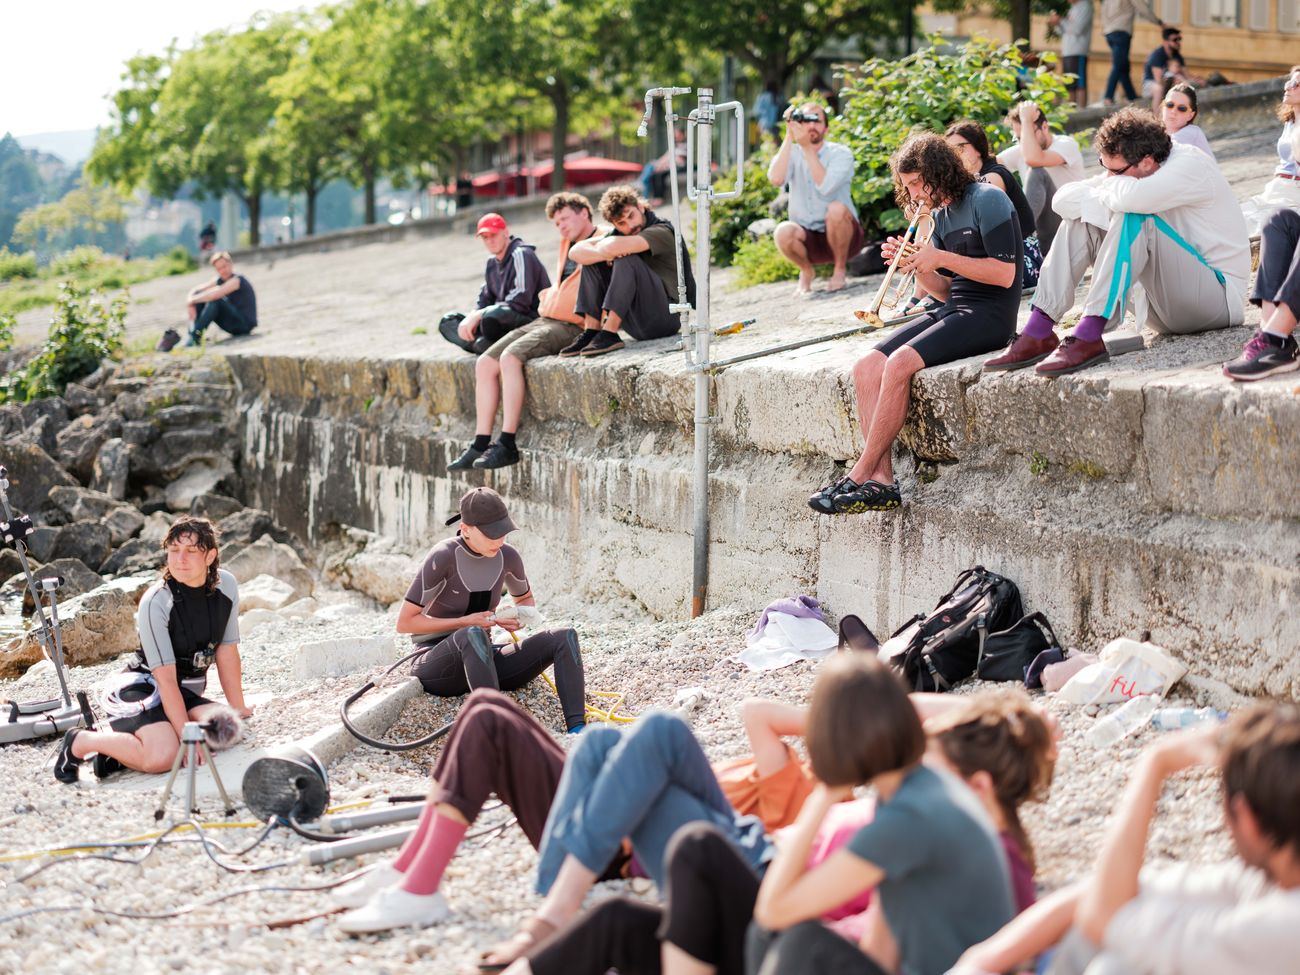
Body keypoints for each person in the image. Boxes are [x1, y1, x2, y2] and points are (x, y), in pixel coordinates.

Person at [510, 688, 1057, 975]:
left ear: (979, 786)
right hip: (775, 890)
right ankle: (543, 921)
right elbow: (905, 713)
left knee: (687, 825)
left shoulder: (946, 839)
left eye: (931, 772)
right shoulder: (939, 827)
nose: (916, 779)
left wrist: (825, 793)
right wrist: (1010, 719)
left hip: (784, 912)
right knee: (618, 916)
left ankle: (553, 907)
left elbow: (880, 943)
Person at [951, 703, 1300, 975]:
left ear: (1249, 819)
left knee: (1114, 966)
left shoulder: (1280, 928)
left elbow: (1103, 915)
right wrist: (984, 961)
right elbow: (1102, 895)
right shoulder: (1267, 880)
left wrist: (1156, 763)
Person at [744, 656, 1017, 975]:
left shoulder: (906, 820)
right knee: (785, 938)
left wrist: (823, 795)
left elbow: (772, 910)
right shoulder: (925, 786)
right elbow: (885, 940)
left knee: (800, 942)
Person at [813, 133, 1021, 514]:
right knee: (866, 366)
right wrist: (914, 264)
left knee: (900, 363)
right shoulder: (939, 215)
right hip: (956, 307)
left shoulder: (988, 199)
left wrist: (939, 254)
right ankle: (882, 480)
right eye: (906, 185)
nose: (912, 194)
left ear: (939, 172)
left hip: (992, 314)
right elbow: (944, 292)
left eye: (916, 183)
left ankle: (860, 471)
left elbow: (1004, 274)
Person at [985, 108, 1249, 376]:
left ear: (1147, 162)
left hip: (1216, 300)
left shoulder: (1190, 164)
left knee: (1133, 217)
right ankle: (1039, 329)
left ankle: (1090, 332)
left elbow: (1131, 200)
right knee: (1081, 218)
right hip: (1160, 308)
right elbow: (1062, 200)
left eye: (1116, 171)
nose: (1109, 176)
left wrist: (1103, 192)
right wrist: (1109, 188)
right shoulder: (1127, 170)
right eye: (1104, 167)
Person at [53, 517, 252, 783]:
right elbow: (165, 679)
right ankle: (82, 741)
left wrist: (239, 707)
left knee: (226, 728)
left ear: (210, 556)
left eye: (191, 551)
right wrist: (186, 737)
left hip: (184, 693)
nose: (180, 558)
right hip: (142, 688)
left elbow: (226, 651)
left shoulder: (225, 586)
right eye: (173, 550)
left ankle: (117, 752)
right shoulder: (156, 601)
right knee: (165, 756)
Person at [397, 487, 585, 732]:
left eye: (503, 532)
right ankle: (498, 736)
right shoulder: (443, 556)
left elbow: (526, 601)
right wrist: (464, 623)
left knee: (564, 637)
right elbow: (405, 623)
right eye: (490, 533)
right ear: (466, 529)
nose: (499, 540)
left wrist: (519, 617)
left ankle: (578, 730)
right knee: (472, 633)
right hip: (437, 664)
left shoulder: (508, 556)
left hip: (485, 660)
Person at [448, 193, 603, 471]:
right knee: (485, 363)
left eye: (565, 219)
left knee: (510, 358)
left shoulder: (601, 240)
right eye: (556, 223)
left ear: (584, 213)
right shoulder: (567, 243)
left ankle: (507, 443)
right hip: (546, 317)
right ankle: (480, 443)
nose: (561, 227)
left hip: (572, 325)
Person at [561, 185, 692, 358]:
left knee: (625, 260)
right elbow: (575, 251)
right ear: (614, 225)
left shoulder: (662, 231)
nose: (630, 225)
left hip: (667, 318)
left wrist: (609, 251)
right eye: (621, 223)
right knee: (591, 261)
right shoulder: (621, 235)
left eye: (631, 215)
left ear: (641, 207)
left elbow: (613, 245)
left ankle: (609, 333)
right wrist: (604, 254)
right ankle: (592, 331)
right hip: (636, 324)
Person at [767, 102, 860, 295]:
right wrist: (789, 136)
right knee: (782, 231)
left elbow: (825, 188)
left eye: (816, 120)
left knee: (836, 209)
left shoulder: (841, 153)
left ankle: (839, 270)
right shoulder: (792, 152)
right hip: (807, 237)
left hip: (844, 236)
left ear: (826, 127)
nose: (811, 126)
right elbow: (776, 179)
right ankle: (807, 271)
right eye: (805, 120)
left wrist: (807, 148)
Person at [946, 120, 1043, 287]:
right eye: (949, 151)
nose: (955, 154)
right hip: (990, 261)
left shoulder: (995, 175)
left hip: (1020, 261)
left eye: (960, 147)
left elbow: (973, 198)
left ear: (978, 148)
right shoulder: (958, 185)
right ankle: (919, 294)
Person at [438, 213, 550, 355]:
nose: (490, 241)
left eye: (494, 235)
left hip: (529, 319)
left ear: (506, 233)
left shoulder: (521, 253)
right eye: (485, 237)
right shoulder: (492, 262)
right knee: (448, 321)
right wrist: (473, 316)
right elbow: (484, 299)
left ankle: (483, 346)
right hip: (496, 323)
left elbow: (520, 301)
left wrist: (479, 314)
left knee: (491, 316)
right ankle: (484, 345)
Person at [996, 101, 1085, 254]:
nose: (1023, 141)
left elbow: (1034, 159)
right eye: (1019, 137)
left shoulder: (1065, 144)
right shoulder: (1022, 149)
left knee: (1037, 172)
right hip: (1043, 236)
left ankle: (1016, 236)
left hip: (1070, 232)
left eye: (1027, 133)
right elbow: (989, 166)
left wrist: (1026, 120)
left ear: (1044, 127)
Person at [157, 250, 258, 352]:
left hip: (244, 325)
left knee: (215, 300)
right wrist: (190, 302)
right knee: (200, 298)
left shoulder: (237, 280)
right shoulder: (220, 279)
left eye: (224, 266)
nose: (223, 270)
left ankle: (194, 337)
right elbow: (196, 290)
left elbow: (215, 294)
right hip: (232, 325)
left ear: (231, 264)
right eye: (219, 269)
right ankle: (193, 335)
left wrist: (192, 301)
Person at [1100, 0, 1164, 107]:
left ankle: (1131, 96)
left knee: (1123, 65)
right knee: (1119, 66)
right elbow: (1143, 8)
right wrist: (1159, 22)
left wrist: (1106, 29)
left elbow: (1103, 11)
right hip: (1121, 31)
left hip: (1109, 33)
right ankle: (1108, 97)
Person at [1142, 27, 1204, 113]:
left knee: (1183, 83)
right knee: (1158, 89)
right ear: (1165, 42)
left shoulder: (1177, 55)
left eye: (1179, 39)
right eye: (1175, 40)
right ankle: (1156, 117)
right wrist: (1173, 79)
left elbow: (1187, 75)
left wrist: (1197, 80)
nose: (1178, 42)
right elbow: (1158, 80)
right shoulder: (1157, 55)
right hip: (1150, 84)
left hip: (1168, 81)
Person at [1050, 0, 1094, 109]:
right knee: (1069, 83)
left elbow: (1078, 29)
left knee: (1080, 83)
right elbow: (1064, 30)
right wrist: (1057, 23)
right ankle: (1071, 109)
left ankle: (1082, 110)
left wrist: (1061, 21)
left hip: (1078, 50)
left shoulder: (1085, 6)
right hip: (1067, 50)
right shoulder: (1072, 8)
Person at [1161, 83, 1214, 160]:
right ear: (1163, 106)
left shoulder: (1192, 132)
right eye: (1170, 105)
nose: (1173, 111)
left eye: (1182, 108)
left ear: (1191, 115)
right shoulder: (1157, 133)